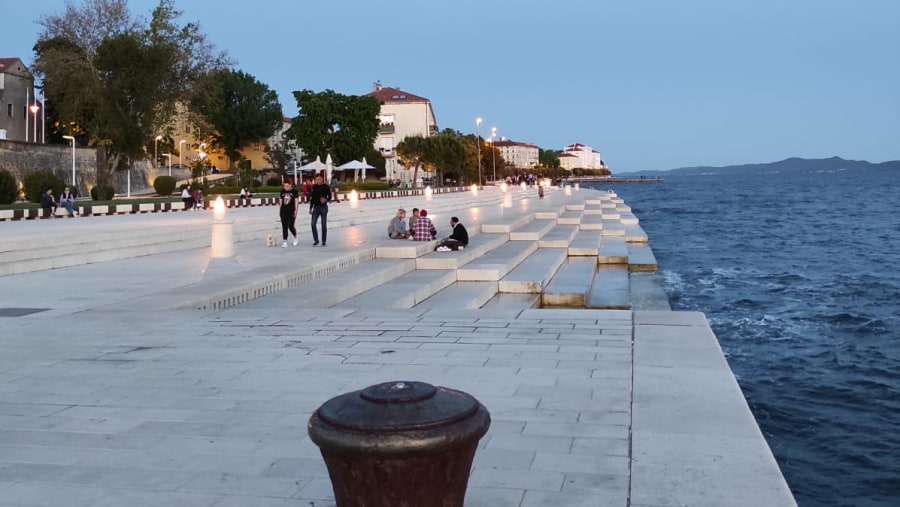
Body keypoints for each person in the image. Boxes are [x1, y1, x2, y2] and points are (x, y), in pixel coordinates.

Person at [309, 174, 331, 246]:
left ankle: (324, 240)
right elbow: (312, 198)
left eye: (319, 179)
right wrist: (310, 208)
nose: (317, 181)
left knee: (323, 225)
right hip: (316, 207)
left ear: (322, 179)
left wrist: (325, 199)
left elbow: (330, 196)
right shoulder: (314, 187)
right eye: (316, 180)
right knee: (313, 224)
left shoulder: (326, 187)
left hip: (323, 207)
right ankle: (316, 240)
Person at [279, 181, 299, 247]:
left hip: (291, 211)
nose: (286, 187)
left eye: (287, 186)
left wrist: (296, 210)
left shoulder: (294, 191)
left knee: (291, 225)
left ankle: (295, 236)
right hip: (283, 211)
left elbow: (296, 201)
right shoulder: (282, 191)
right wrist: (280, 210)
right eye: (284, 186)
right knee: (284, 226)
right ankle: (285, 241)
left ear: (290, 185)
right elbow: (281, 201)